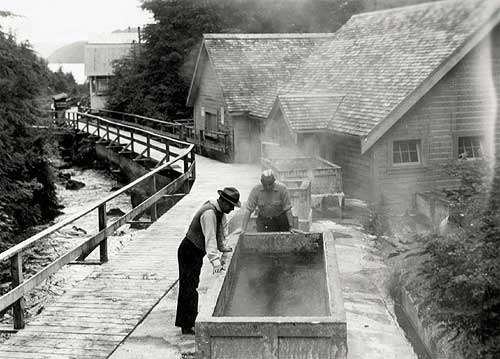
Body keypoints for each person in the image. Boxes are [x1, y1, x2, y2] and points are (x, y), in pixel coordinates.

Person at [175, 187, 240, 335]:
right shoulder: (209, 213)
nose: (231, 209)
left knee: (192, 285)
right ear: (223, 202)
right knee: (189, 287)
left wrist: (223, 247)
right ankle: (187, 325)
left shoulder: (219, 211)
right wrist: (215, 262)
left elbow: (220, 232)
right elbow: (210, 238)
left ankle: (188, 321)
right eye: (230, 206)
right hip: (189, 250)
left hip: (196, 251)